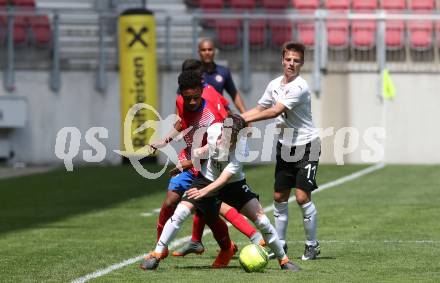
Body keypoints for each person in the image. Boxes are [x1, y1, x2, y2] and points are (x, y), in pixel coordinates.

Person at [140, 114, 300, 271]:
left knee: (263, 221)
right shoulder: (213, 131)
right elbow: (206, 151)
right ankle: (156, 254)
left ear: (238, 138)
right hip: (206, 178)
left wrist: (203, 192)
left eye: (231, 140)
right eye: (224, 135)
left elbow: (223, 180)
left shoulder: (242, 151)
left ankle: (284, 260)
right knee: (181, 212)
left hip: (233, 184)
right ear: (222, 129)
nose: (225, 141)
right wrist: (188, 163)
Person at [172, 59, 264, 258]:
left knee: (211, 203)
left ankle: (252, 237)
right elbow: (181, 121)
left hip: (215, 153)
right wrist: (169, 138)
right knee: (200, 204)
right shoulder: (183, 99)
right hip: (198, 152)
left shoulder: (212, 94)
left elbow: (226, 115)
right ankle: (199, 242)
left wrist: (242, 124)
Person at [241, 42, 322, 261]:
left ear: (302, 63)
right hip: (285, 146)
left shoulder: (300, 87)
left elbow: (275, 110)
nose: (292, 64)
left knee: (302, 197)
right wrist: (239, 118)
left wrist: (241, 119)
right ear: (282, 60)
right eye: (288, 59)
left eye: (296, 60)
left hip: (307, 145)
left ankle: (312, 245)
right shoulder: (274, 84)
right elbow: (259, 108)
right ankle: (281, 245)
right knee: (279, 197)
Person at [198, 38, 247, 114]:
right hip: (199, 116)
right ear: (199, 52)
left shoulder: (223, 72)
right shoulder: (193, 72)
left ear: (214, 51)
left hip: (219, 115)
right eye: (203, 50)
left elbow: (234, 95)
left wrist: (245, 115)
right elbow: (181, 98)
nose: (207, 52)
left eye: (210, 49)